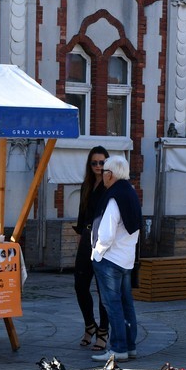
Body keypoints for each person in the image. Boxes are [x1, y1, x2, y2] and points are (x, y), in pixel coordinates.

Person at [89, 156, 141, 364]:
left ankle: (119, 348)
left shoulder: (113, 196)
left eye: (103, 171)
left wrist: (97, 252)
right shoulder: (130, 192)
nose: (102, 175)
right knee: (126, 303)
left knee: (113, 305)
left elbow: (107, 232)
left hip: (110, 258)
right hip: (126, 258)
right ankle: (130, 346)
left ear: (109, 174)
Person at [73, 146, 110, 351]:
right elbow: (81, 214)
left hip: (103, 239)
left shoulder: (109, 185)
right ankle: (90, 324)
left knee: (102, 287)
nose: (98, 166)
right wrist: (79, 238)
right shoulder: (87, 184)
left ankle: (103, 331)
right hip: (86, 236)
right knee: (80, 284)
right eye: (94, 163)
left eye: (102, 162)